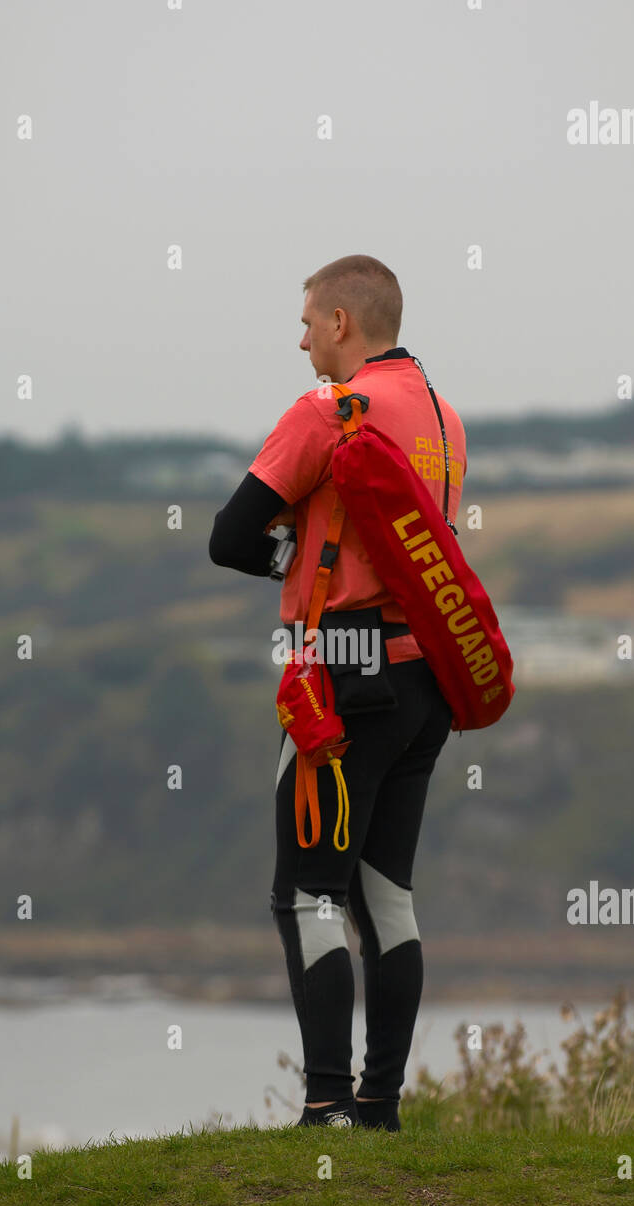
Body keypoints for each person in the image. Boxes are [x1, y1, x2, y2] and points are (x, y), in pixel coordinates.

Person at [209, 255, 467, 1131]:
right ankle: (380, 1107)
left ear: (342, 325)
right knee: (385, 894)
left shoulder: (330, 409)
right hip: (425, 681)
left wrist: (285, 549)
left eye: (309, 322)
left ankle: (321, 1105)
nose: (301, 339)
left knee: (308, 893)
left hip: (342, 678)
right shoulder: (445, 419)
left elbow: (229, 535)